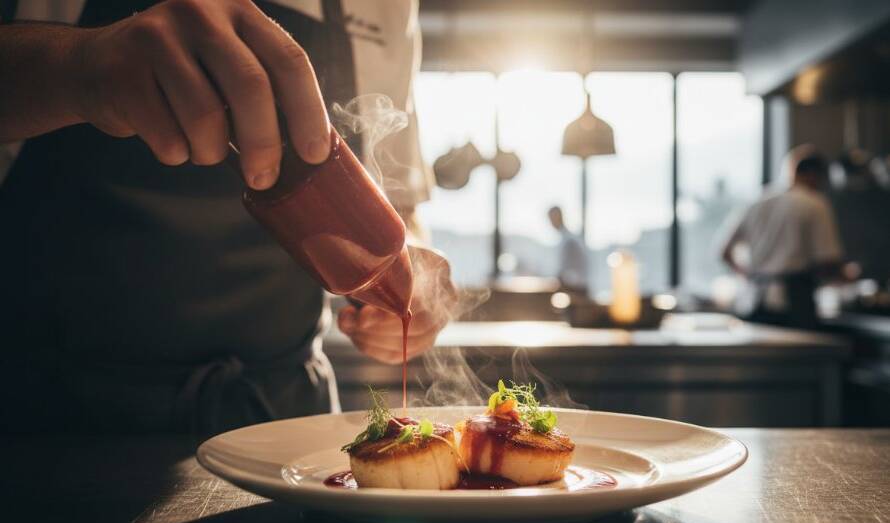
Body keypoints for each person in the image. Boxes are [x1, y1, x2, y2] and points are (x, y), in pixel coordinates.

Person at [0, 0, 453, 434]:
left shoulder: (387, 6)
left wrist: (412, 271)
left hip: (283, 419)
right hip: (51, 422)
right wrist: (81, 65)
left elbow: (401, 207)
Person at [720, 147, 845, 329]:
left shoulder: (757, 200)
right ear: (813, 174)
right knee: (797, 355)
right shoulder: (814, 203)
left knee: (761, 355)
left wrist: (749, 275)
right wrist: (843, 276)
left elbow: (724, 252)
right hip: (794, 303)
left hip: (754, 301)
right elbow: (828, 259)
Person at [547, 206, 589, 294]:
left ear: (559, 217)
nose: (551, 223)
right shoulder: (566, 239)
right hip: (575, 288)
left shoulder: (569, 241)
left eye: (552, 218)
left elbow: (564, 272)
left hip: (576, 291)